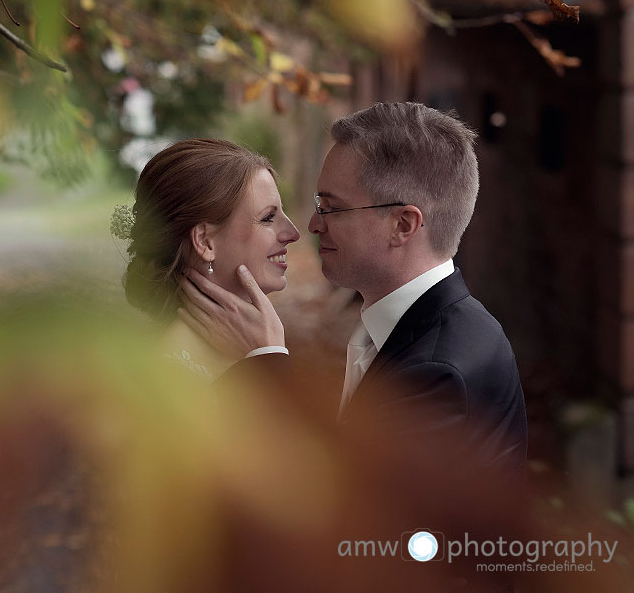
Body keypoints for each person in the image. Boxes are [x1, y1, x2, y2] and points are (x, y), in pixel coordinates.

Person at [178, 102, 528, 477]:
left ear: (403, 225)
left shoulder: (436, 372)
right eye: (318, 204)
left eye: (332, 208)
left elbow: (343, 515)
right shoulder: (430, 329)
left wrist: (266, 361)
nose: (311, 226)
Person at [118, 138, 301, 381]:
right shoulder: (175, 376)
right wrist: (270, 355)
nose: (293, 233)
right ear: (204, 242)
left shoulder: (242, 349)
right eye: (268, 218)